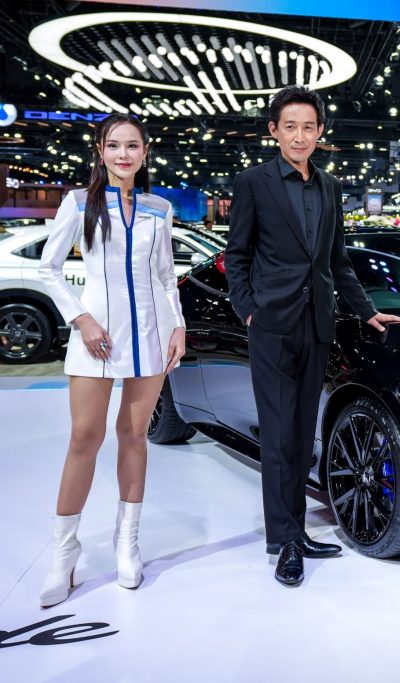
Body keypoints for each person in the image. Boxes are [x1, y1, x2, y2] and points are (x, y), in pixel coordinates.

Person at [225, 86, 400, 586]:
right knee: (278, 437)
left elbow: (336, 261)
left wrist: (367, 311)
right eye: (290, 127)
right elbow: (237, 255)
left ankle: (299, 532)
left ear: (320, 132)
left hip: (317, 324)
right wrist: (248, 309)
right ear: (274, 131)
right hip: (272, 325)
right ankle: (283, 541)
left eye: (308, 127)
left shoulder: (329, 186)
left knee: (304, 438)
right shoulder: (253, 182)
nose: (300, 136)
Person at [37, 114, 186, 607]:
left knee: (134, 435)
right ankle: (64, 552)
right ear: (100, 151)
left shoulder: (159, 209)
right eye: (114, 145)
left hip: (149, 335)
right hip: (95, 338)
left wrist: (178, 325)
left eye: (133, 145)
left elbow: (165, 276)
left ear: (145, 152)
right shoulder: (79, 203)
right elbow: (49, 268)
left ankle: (127, 544)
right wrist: (81, 320)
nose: (124, 154)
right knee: (84, 437)